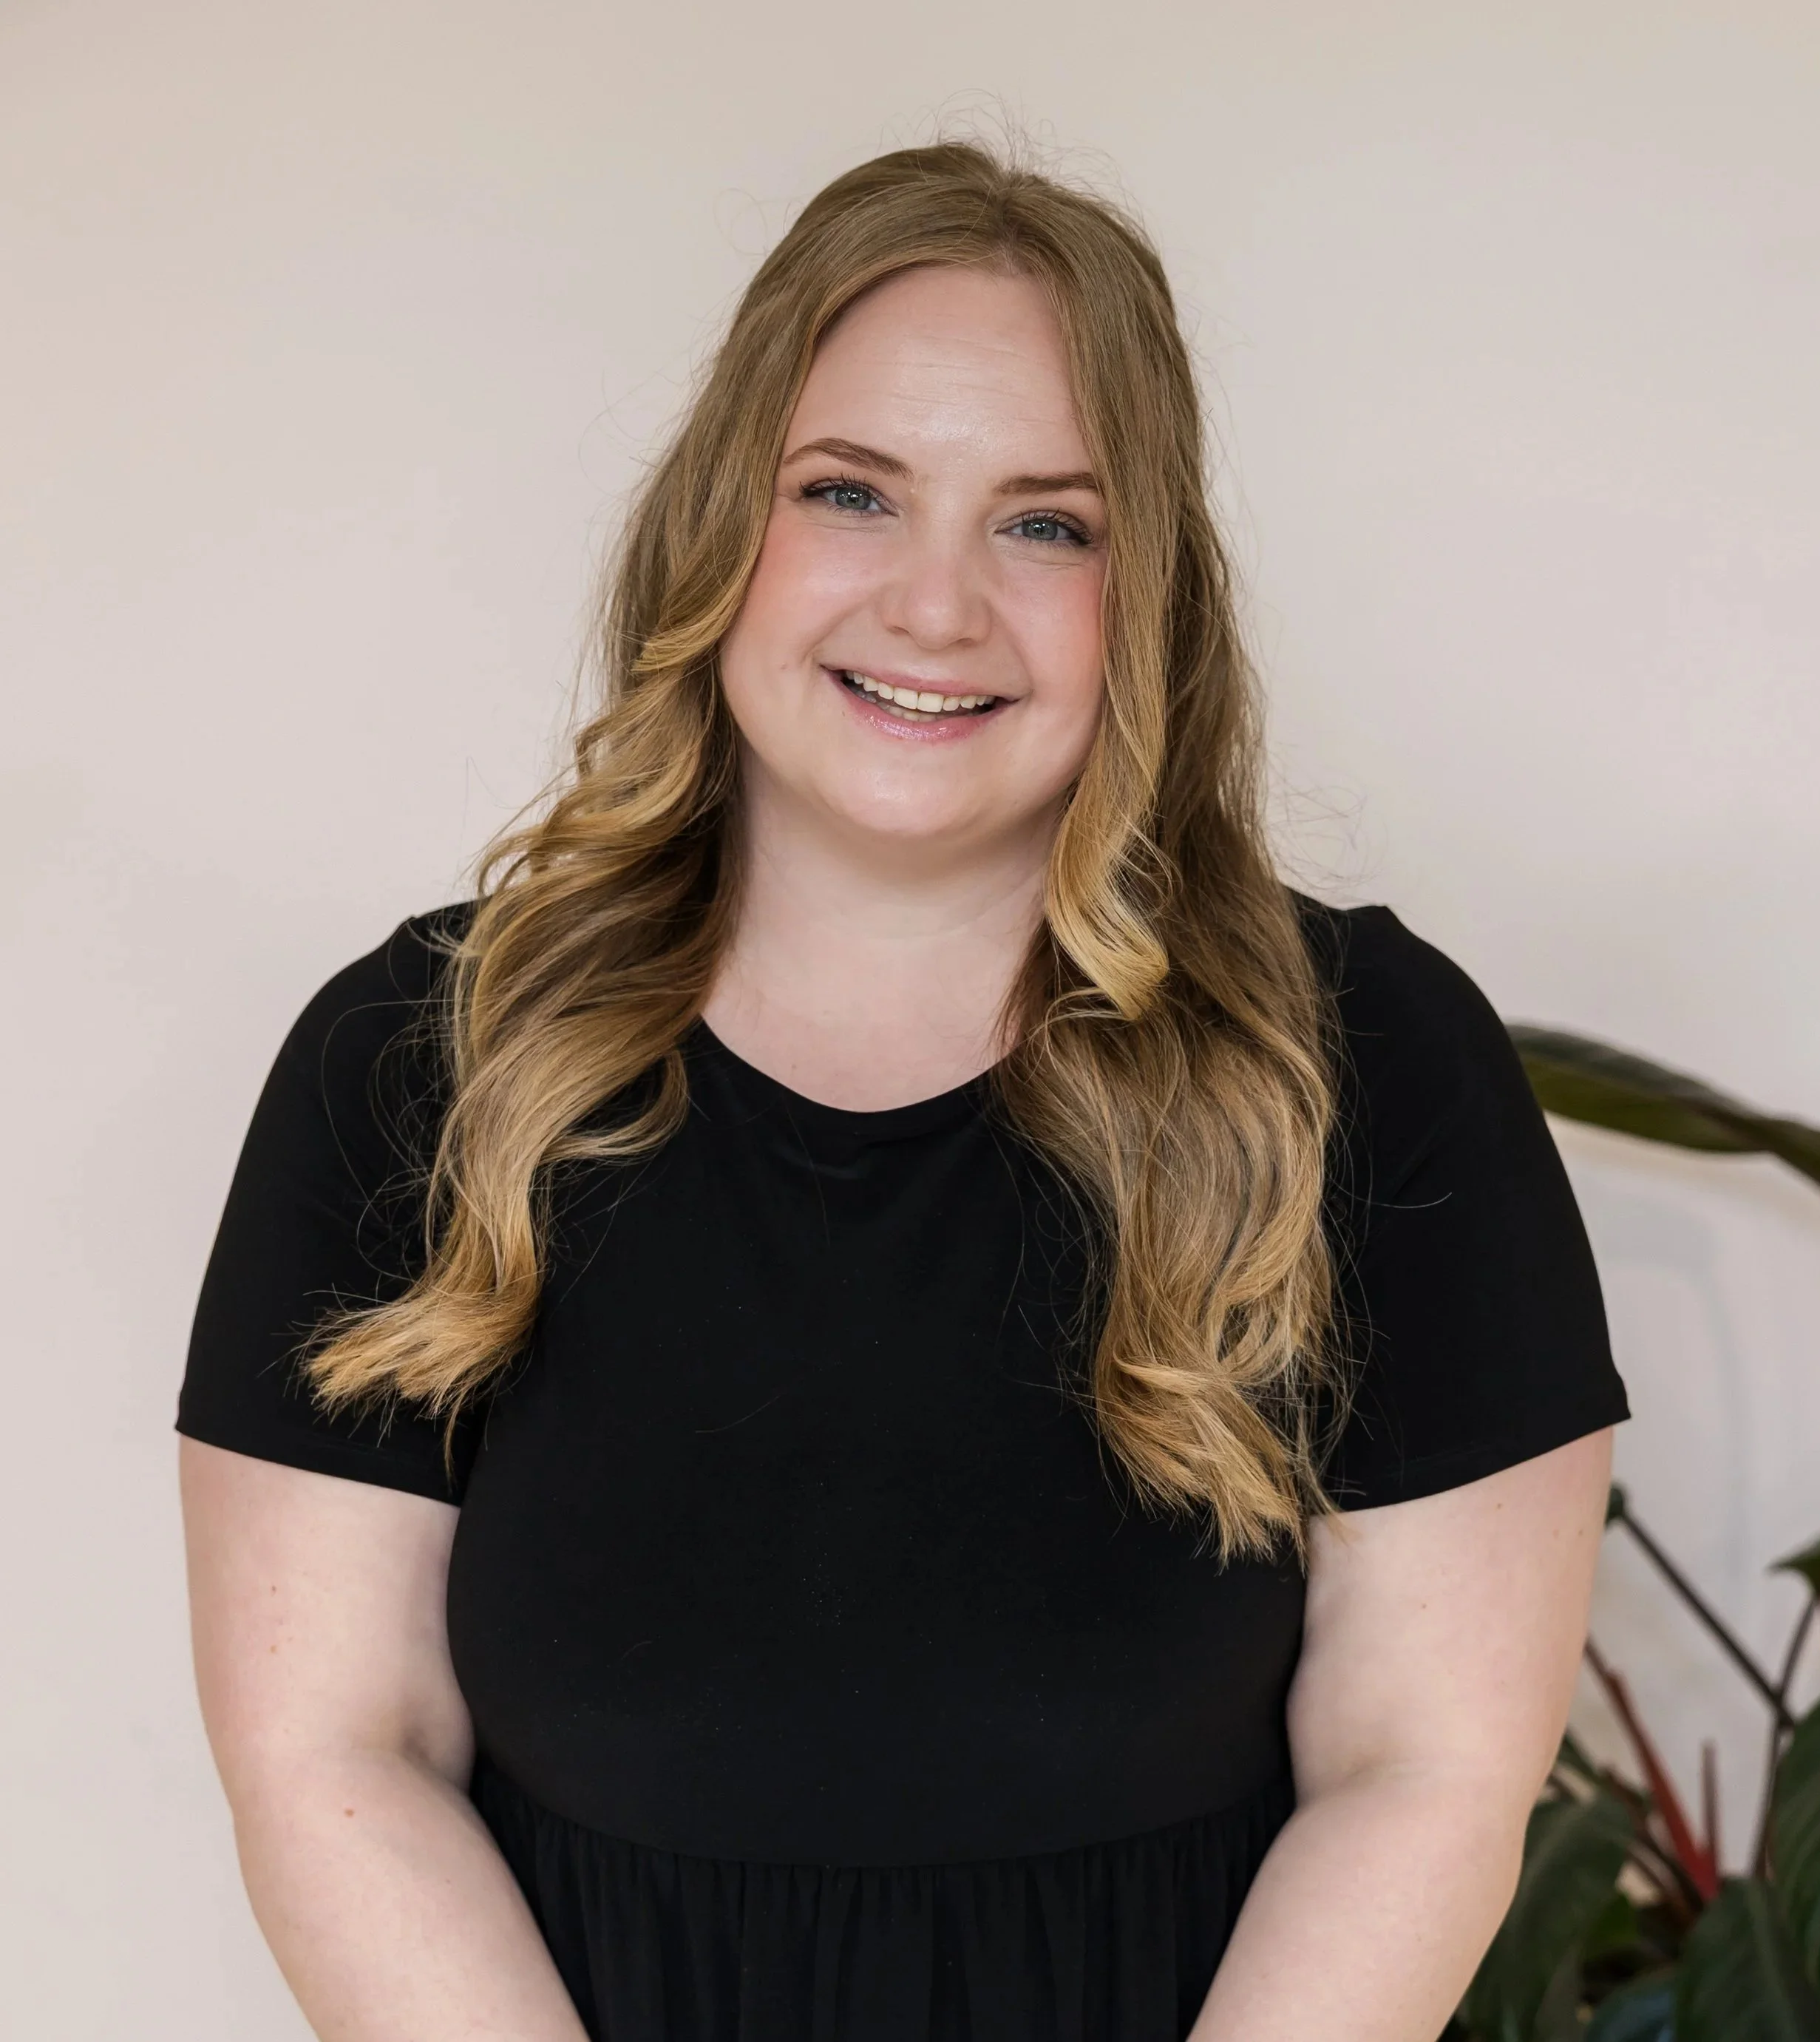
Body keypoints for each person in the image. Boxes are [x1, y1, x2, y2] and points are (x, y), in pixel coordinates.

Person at [177, 140, 1629, 2042]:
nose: (936, 607)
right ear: (722, 528)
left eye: (1047, 524)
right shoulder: (410, 1065)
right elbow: (333, 1751)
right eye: (851, 493)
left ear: (1150, 593)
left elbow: (1421, 1773)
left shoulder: (1370, 1068)